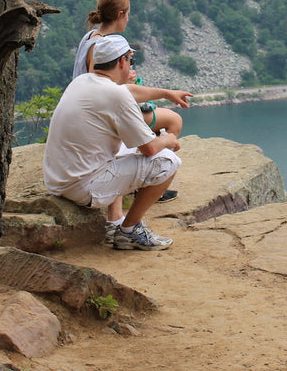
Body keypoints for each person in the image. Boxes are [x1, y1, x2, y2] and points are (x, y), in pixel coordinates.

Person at [43, 35, 187, 250]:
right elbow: (149, 149)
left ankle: (115, 221)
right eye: (130, 60)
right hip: (83, 187)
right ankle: (129, 231)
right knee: (168, 161)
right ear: (121, 62)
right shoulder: (115, 95)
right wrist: (168, 139)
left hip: (58, 180)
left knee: (124, 145)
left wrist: (166, 93)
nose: (130, 65)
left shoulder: (81, 81)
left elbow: (129, 91)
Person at [73, 0, 183, 233]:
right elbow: (101, 82)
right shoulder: (102, 44)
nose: (128, 19)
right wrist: (126, 81)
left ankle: (121, 210)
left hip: (96, 109)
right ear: (121, 15)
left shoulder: (91, 36)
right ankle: (142, 196)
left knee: (133, 142)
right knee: (170, 122)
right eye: (128, 15)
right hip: (102, 111)